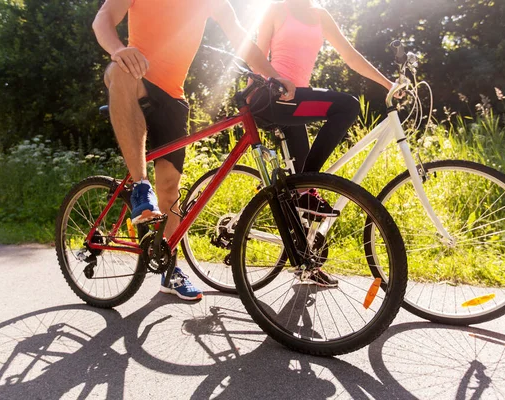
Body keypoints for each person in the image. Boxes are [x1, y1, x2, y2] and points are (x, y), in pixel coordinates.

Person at [92, 0, 295, 301]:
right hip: (136, 81)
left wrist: (273, 74)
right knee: (119, 71)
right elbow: (103, 18)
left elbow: (241, 38)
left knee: (171, 189)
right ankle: (139, 185)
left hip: (173, 99)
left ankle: (169, 268)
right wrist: (118, 49)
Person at [249, 0, 394, 287]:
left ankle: (307, 261)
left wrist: (388, 85)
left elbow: (350, 56)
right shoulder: (278, 9)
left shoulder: (320, 16)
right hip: (273, 99)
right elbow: (255, 56)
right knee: (347, 107)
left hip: (297, 104)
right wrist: (273, 82)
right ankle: (305, 187)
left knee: (301, 182)